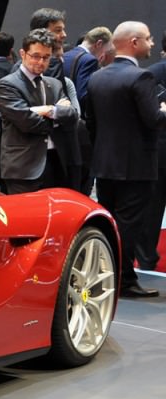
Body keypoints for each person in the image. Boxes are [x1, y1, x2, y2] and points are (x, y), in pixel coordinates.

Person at [85, 21, 166, 297]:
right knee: (129, 226)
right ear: (134, 42)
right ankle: (124, 281)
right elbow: (154, 119)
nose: (151, 43)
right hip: (136, 166)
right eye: (148, 38)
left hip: (104, 164)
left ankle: (106, 277)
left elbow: (91, 123)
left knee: (109, 224)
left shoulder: (97, 77)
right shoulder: (141, 77)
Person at [0, 29, 78, 194]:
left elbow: (72, 116)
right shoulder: (8, 84)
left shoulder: (54, 84)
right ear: (23, 54)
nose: (41, 62)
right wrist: (57, 115)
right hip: (24, 167)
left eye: (46, 57)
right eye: (35, 56)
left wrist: (48, 110)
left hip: (56, 161)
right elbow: (27, 122)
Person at [137, 30, 166, 271]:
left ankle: (146, 258)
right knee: (153, 207)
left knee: (152, 207)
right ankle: (146, 258)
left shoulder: (151, 73)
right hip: (159, 150)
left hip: (157, 150)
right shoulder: (151, 75)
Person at [63, 27, 112, 107]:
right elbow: (83, 96)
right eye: (105, 50)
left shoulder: (65, 55)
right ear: (99, 44)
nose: (103, 55)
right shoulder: (90, 60)